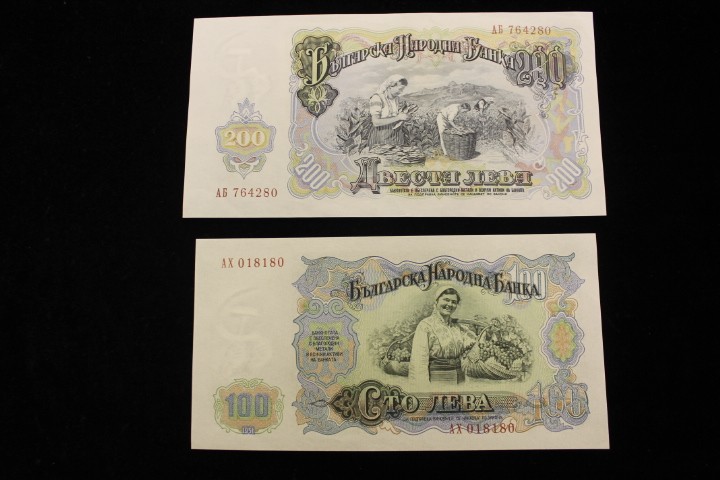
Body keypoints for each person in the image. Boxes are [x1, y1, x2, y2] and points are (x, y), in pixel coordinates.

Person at [408, 288, 477, 384]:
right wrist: (422, 386)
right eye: (446, 300)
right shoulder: (425, 326)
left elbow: (472, 343)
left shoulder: (457, 327)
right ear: (436, 301)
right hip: (438, 379)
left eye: (454, 302)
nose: (450, 304)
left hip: (460, 378)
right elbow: (419, 361)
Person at [367, 74, 410, 148]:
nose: (401, 92)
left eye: (402, 89)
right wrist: (398, 117)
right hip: (381, 136)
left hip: (396, 135)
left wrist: (405, 117)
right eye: (400, 89)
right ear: (390, 87)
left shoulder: (397, 99)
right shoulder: (377, 98)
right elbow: (376, 122)